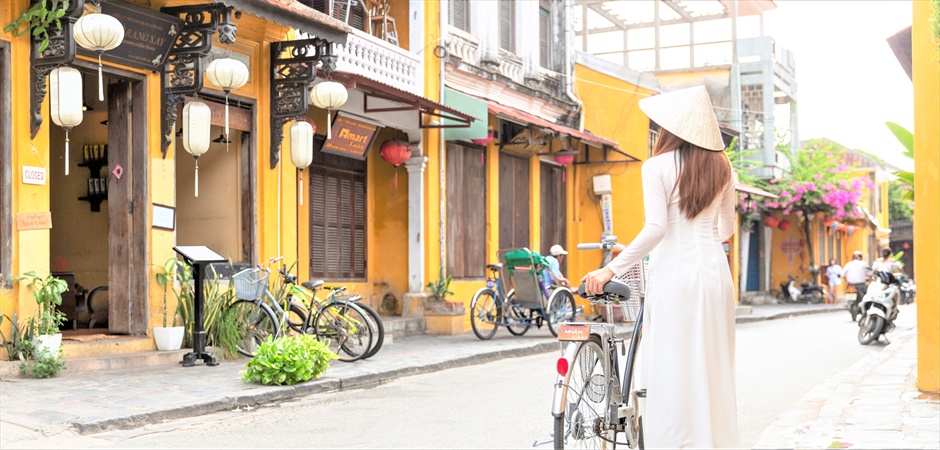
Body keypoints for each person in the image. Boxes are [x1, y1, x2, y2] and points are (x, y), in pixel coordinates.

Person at [581, 86, 739, 448]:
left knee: (672, 364)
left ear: (672, 128)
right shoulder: (725, 169)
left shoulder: (656, 166)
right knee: (713, 362)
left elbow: (656, 229)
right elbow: (726, 231)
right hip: (715, 273)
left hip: (674, 273)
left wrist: (610, 270)